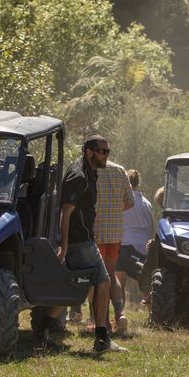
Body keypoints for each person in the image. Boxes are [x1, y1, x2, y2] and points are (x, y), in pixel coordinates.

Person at [34, 135, 127, 353]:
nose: (106, 155)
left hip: (83, 239)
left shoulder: (90, 172)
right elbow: (65, 213)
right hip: (80, 241)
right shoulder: (79, 176)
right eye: (102, 151)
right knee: (103, 282)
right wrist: (64, 247)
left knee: (74, 284)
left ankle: (42, 330)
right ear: (89, 152)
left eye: (107, 151)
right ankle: (102, 339)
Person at [94, 158, 135, 333]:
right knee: (111, 272)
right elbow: (130, 201)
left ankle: (104, 323)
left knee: (99, 277)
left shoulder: (90, 170)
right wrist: (114, 211)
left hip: (95, 231)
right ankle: (119, 314)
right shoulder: (120, 170)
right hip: (115, 231)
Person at [114, 169, 154, 334]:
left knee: (119, 284)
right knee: (144, 282)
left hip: (122, 244)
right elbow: (150, 226)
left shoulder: (122, 201)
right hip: (139, 247)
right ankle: (153, 315)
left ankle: (119, 316)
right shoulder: (146, 203)